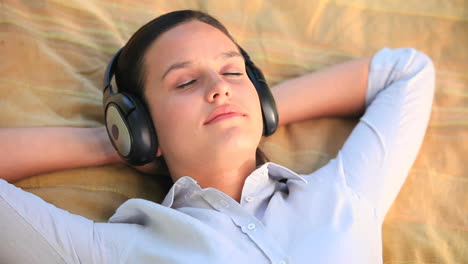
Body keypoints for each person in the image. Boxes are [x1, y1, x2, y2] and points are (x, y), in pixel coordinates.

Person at [0, 9, 434, 264]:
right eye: (185, 82)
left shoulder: (344, 194)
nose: (220, 86)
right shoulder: (112, 250)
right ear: (142, 128)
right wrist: (115, 142)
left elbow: (407, 71)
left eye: (232, 72)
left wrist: (261, 109)